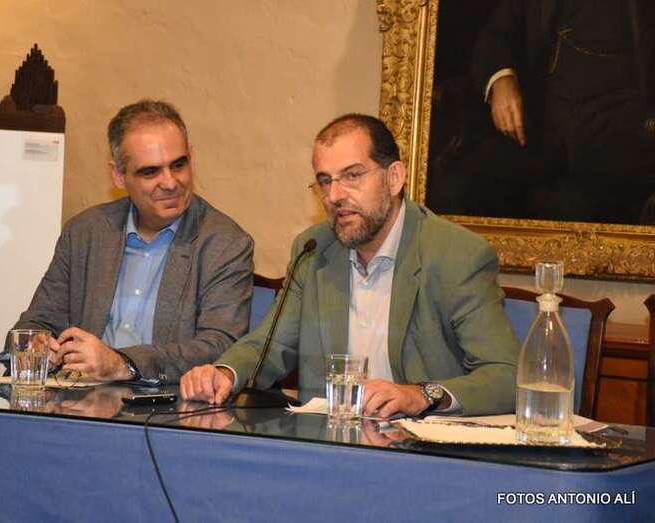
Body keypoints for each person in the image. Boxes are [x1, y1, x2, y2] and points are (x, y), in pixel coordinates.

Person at [180, 114, 519, 417]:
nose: (335, 195)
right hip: (329, 445)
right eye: (325, 181)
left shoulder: (455, 255)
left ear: (394, 178)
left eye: (352, 176)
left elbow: (506, 375)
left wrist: (420, 395)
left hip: (420, 453)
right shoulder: (314, 250)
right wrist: (224, 373)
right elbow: (269, 345)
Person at [10, 100, 254, 384]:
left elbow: (219, 347)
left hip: (166, 410)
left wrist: (122, 364)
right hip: (80, 402)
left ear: (192, 158)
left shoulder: (225, 243)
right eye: (150, 172)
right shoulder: (85, 233)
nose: (170, 182)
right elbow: (36, 323)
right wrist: (39, 346)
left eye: (178, 165)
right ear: (118, 175)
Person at [431, 0, 655, 223]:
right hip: (535, 134)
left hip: (617, 141)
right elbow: (497, 34)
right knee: (454, 191)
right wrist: (501, 80)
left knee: (573, 205)